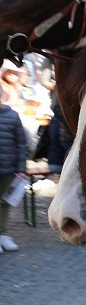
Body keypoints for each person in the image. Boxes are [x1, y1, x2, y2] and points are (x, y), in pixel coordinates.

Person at [0, 78, 28, 252]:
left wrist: (21, 168)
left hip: (8, 168)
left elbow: (21, 144)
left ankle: (3, 234)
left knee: (5, 202)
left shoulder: (12, 115)